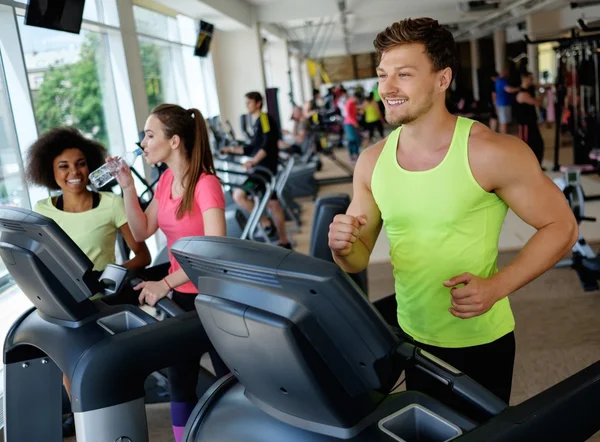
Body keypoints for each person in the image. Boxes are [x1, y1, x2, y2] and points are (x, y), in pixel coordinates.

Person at [328, 17, 578, 421]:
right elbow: (356, 259)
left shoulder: (491, 152)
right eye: (382, 75)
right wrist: (342, 246)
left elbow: (562, 227)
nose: (387, 88)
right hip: (410, 335)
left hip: (479, 340)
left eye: (404, 75)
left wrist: (497, 286)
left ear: (442, 79)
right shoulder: (372, 162)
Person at [113, 103, 229, 442]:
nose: (143, 143)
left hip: (214, 296)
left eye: (150, 135)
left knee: (228, 379)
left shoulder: (206, 185)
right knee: (180, 380)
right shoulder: (165, 181)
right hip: (182, 296)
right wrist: (127, 188)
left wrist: (164, 282)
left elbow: (214, 250)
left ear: (174, 141)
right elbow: (141, 230)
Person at [25, 127, 151, 284]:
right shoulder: (42, 209)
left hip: (103, 301)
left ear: (90, 166)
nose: (75, 172)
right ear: (51, 171)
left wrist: (105, 277)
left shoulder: (111, 203)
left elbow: (143, 257)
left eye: (81, 164)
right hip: (62, 299)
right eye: (64, 166)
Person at [222, 91, 292, 249]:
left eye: (249, 103)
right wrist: (230, 150)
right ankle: (283, 240)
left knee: (239, 195)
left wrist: (254, 161)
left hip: (263, 170)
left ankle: (267, 224)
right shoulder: (257, 122)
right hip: (262, 169)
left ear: (258, 103)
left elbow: (267, 144)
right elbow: (252, 147)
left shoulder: (264, 119)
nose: (246, 105)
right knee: (273, 203)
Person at [515, 72, 545, 165]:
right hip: (525, 125)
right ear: (525, 79)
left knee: (538, 145)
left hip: (532, 122)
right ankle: (527, 166)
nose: (532, 81)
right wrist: (543, 95)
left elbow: (538, 85)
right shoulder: (522, 94)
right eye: (530, 79)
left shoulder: (529, 89)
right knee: (527, 146)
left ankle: (536, 166)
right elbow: (537, 103)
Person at [495, 67, 519, 133]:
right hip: (504, 104)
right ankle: (504, 137)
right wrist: (519, 89)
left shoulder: (498, 80)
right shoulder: (502, 81)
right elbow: (508, 89)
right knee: (504, 123)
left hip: (502, 103)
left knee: (502, 122)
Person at [344, 90, 361, 162]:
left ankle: (356, 155)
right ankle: (352, 155)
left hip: (353, 123)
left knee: (357, 139)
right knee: (352, 140)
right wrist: (354, 123)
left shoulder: (353, 104)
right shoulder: (349, 103)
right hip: (349, 124)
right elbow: (348, 115)